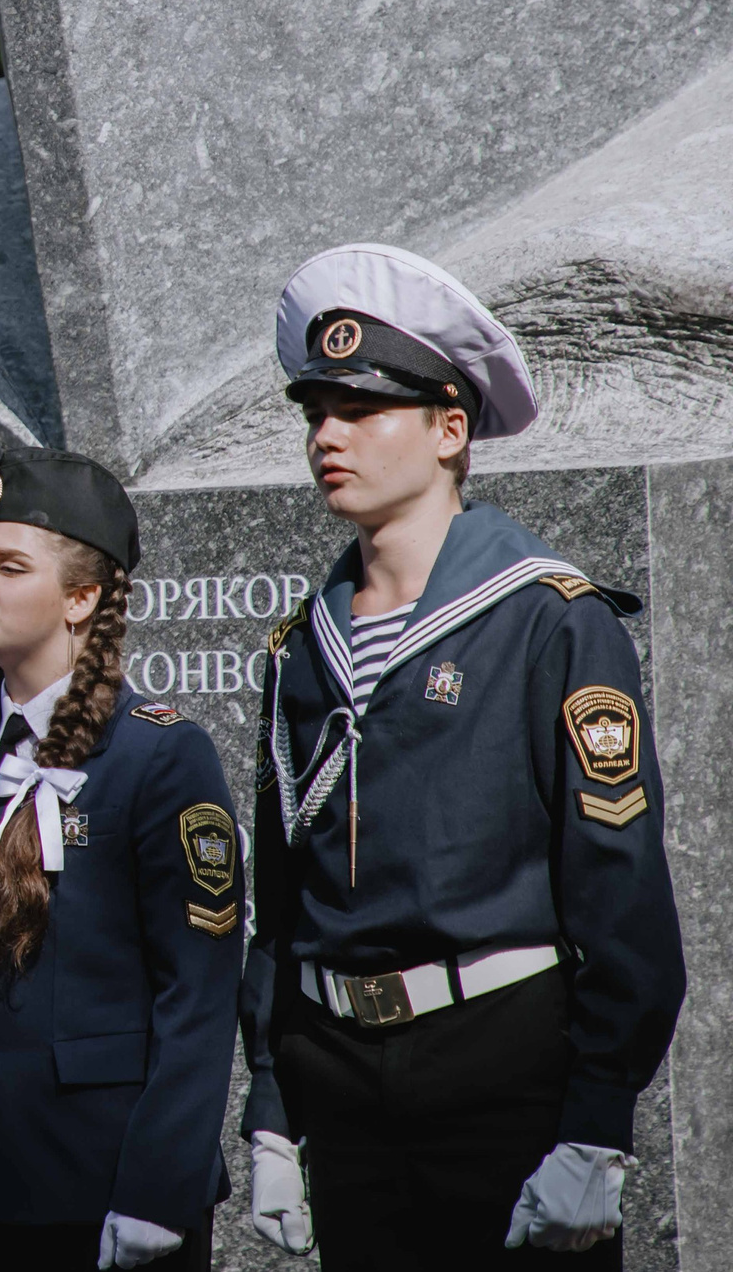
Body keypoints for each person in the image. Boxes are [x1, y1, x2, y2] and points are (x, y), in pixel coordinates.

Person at [240, 243, 685, 1270]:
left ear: (449, 429)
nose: (326, 435)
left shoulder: (546, 620)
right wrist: (271, 1098)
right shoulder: (300, 645)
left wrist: (596, 1122)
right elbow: (282, 894)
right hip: (340, 1074)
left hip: (502, 1065)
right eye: (315, 411)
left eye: (360, 410)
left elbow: (617, 889)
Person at [0, 448, 241, 1270]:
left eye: (7, 565)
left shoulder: (156, 757)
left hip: (105, 1191)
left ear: (80, 598)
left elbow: (197, 997)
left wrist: (159, 1186)